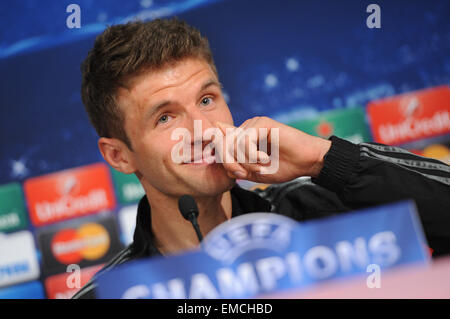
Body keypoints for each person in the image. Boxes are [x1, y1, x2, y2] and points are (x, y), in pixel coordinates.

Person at [72, 18, 450, 299]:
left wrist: (323, 159)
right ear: (119, 156)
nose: (203, 129)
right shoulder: (109, 295)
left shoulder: (323, 208)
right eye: (165, 117)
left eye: (207, 100)